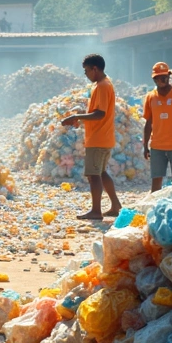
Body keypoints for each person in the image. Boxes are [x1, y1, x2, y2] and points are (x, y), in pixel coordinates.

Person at [61, 54, 122, 220]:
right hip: (103, 137)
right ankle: (116, 205)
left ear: (95, 69)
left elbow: (99, 114)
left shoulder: (102, 86)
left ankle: (96, 211)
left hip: (99, 138)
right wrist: (81, 118)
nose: (86, 74)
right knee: (101, 172)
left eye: (87, 70)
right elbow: (97, 113)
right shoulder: (103, 84)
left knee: (93, 174)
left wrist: (77, 117)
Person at [142, 62, 172, 191]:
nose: (162, 80)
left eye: (165, 76)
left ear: (169, 77)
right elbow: (148, 123)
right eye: (159, 77)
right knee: (156, 180)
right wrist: (145, 145)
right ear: (154, 79)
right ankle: (155, 206)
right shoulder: (150, 97)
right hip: (157, 146)